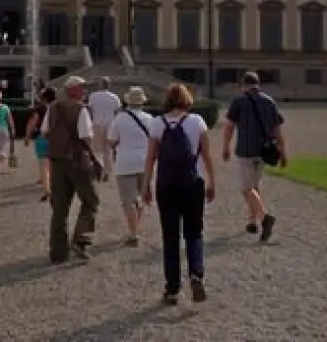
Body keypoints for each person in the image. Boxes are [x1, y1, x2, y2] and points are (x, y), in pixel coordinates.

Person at [143, 83, 216, 306]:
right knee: (194, 232)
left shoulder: (157, 123)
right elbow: (206, 156)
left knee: (170, 236)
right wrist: (212, 182)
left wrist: (146, 184)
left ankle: (172, 288)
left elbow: (151, 158)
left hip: (167, 185)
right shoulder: (197, 122)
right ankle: (196, 273)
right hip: (192, 183)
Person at [222, 71, 287, 243]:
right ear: (258, 84)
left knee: (245, 187)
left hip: (245, 150)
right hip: (264, 151)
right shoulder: (269, 101)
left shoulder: (239, 101)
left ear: (243, 84)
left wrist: (225, 147)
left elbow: (229, 127)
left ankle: (265, 218)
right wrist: (283, 152)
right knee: (254, 185)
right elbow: (277, 130)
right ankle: (253, 221)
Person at [42, 76, 99, 263]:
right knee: (91, 200)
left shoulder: (52, 108)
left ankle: (57, 252)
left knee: (59, 206)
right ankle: (81, 239)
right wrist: (93, 158)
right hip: (76, 160)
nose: (84, 91)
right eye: (81, 88)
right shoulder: (80, 109)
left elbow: (44, 132)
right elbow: (86, 136)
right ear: (72, 90)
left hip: (57, 160)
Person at [107, 86, 154, 247]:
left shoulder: (119, 119)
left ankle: (133, 233)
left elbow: (111, 141)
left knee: (128, 200)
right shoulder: (150, 118)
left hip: (125, 162)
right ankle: (134, 229)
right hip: (145, 162)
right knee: (139, 198)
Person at [24, 87, 56, 202]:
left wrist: (27, 137)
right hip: (55, 138)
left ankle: (47, 189)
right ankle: (53, 186)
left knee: (43, 165)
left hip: (42, 137)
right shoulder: (58, 108)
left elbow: (32, 123)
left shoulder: (40, 109)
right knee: (53, 163)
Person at [87, 76, 121, 181]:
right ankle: (107, 171)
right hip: (110, 124)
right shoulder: (114, 97)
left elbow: (90, 111)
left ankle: (98, 168)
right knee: (108, 150)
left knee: (96, 149)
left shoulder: (93, 96)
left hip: (97, 123)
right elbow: (117, 112)